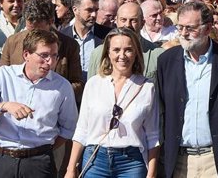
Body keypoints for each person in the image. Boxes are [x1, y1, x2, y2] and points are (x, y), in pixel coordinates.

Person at [156, 1, 218, 178]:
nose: (183, 33)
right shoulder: (166, 61)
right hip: (180, 160)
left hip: (215, 159)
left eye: (190, 28)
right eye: (180, 27)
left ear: (207, 29)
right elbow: (163, 108)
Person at [0, 29, 79, 178]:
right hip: (1, 159)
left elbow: (68, 128)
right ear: (26, 55)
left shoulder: (62, 86)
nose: (50, 62)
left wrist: (43, 148)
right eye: (44, 55)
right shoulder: (4, 75)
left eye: (54, 56)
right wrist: (5, 106)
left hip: (39, 162)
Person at [66, 27, 159, 178]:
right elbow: (82, 129)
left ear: (136, 53)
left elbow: (152, 136)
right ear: (108, 53)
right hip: (96, 160)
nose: (122, 55)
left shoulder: (147, 88)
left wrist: (152, 173)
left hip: (131, 162)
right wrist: (71, 169)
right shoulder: (94, 84)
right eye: (116, 50)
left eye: (128, 50)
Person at [0, 0, 84, 103]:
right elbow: (1, 77)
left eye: (39, 31)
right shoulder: (12, 42)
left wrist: (53, 93)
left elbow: (77, 84)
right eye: (30, 30)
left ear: (51, 22)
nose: (34, 36)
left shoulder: (69, 46)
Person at [87, 2, 166, 81]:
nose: (128, 25)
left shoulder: (157, 55)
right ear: (116, 21)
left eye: (133, 20)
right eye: (123, 20)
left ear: (142, 23)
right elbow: (91, 88)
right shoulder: (99, 53)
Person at [61, 0, 109, 79]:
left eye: (96, 10)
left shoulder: (107, 35)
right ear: (75, 10)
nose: (94, 15)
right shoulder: (62, 37)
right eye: (89, 10)